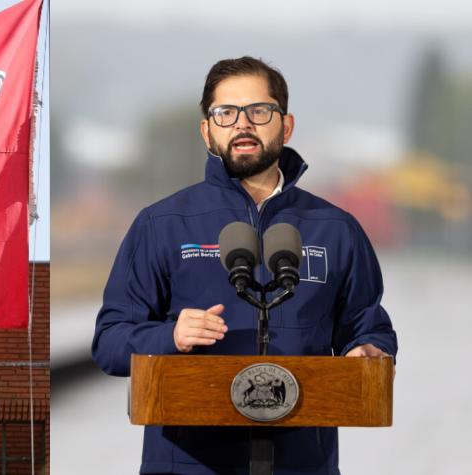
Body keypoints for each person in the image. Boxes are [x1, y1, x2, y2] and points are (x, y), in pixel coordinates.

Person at [91, 56, 398, 475]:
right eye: (226, 113)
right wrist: (171, 335)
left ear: (286, 126)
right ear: (207, 132)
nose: (242, 124)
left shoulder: (336, 230)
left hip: (303, 463)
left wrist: (368, 351)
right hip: (187, 464)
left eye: (259, 111)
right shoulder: (161, 224)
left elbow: (367, 326)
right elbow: (110, 342)